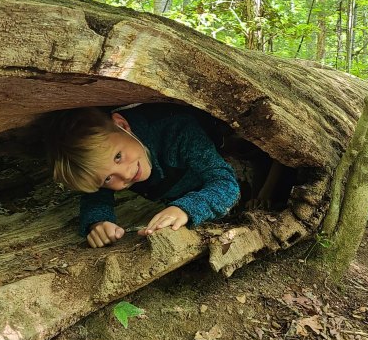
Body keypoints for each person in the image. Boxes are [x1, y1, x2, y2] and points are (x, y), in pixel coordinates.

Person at [47, 104, 240, 248]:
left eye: (118, 156)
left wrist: (185, 209)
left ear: (122, 125)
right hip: (174, 191)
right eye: (107, 178)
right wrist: (98, 222)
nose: (126, 175)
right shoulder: (117, 162)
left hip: (214, 174)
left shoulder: (178, 131)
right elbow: (95, 194)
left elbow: (226, 183)